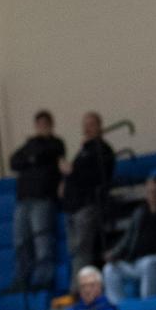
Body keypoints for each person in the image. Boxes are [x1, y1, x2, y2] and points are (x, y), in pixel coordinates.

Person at [103, 176, 156, 305]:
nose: (152, 196)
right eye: (149, 192)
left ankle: (147, 304)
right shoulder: (140, 211)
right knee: (109, 269)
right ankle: (118, 308)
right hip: (134, 261)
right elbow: (127, 238)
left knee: (149, 262)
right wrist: (114, 253)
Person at [9, 110, 65, 293]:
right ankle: (22, 279)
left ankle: (44, 278)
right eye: (39, 124)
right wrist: (33, 156)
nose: (41, 127)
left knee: (42, 238)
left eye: (44, 124)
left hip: (42, 197)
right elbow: (14, 161)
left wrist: (33, 156)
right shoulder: (30, 144)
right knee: (21, 240)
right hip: (24, 199)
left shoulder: (56, 143)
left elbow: (46, 154)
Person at [60, 112, 116, 287]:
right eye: (85, 124)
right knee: (74, 250)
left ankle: (79, 289)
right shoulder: (83, 150)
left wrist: (72, 171)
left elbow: (97, 176)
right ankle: (79, 286)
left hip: (87, 205)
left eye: (91, 124)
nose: (87, 128)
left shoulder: (102, 150)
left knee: (82, 250)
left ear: (100, 126)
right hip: (72, 206)